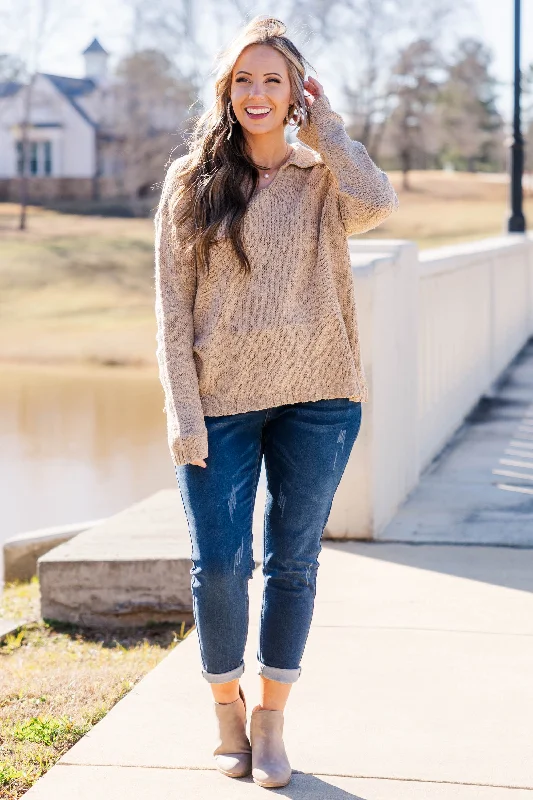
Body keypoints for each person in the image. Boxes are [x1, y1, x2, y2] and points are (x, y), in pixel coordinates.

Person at [154, 14, 398, 790]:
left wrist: (325, 124)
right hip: (220, 400)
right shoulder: (188, 182)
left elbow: (378, 198)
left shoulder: (322, 175)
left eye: (273, 80)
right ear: (224, 92)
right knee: (219, 567)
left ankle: (270, 721)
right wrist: (182, 410)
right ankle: (225, 708)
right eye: (243, 80)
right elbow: (169, 308)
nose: (256, 93)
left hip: (319, 397)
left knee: (291, 565)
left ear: (295, 92)